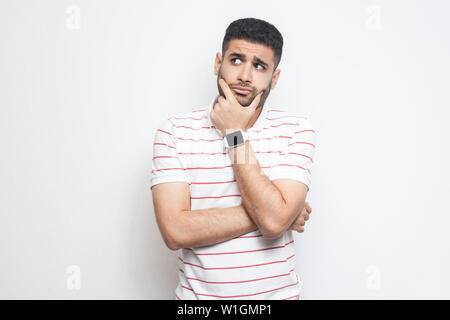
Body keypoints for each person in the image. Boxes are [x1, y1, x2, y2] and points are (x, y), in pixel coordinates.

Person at [150, 17, 316, 300]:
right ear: (218, 63)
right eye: (236, 60)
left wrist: (233, 133)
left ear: (274, 79)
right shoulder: (175, 132)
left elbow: (274, 222)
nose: (245, 76)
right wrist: (278, 213)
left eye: (259, 66)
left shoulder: (296, 130)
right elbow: (174, 231)